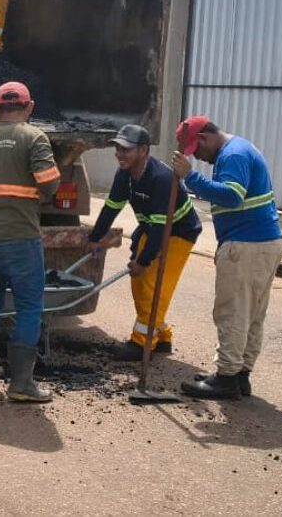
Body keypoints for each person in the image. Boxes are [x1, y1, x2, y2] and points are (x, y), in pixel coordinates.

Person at [170, 116, 282, 400]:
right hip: (262, 243)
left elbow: (232, 196)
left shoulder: (232, 155)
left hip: (245, 245)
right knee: (252, 314)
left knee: (233, 312)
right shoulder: (240, 150)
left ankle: (227, 378)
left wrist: (190, 177)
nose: (198, 156)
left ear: (206, 137)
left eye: (197, 149)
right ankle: (240, 375)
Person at [0, 82, 61, 402]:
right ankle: (21, 384)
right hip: (21, 236)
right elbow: (49, 184)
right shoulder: (34, 137)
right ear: (29, 107)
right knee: (28, 307)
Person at [86, 124, 202, 361]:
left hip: (179, 232)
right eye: (117, 148)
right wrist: (94, 238)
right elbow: (111, 208)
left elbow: (161, 229)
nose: (119, 154)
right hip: (151, 228)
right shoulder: (124, 175)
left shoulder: (162, 178)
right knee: (138, 283)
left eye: (126, 149)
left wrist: (144, 260)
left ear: (143, 150)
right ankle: (163, 336)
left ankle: (141, 343)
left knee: (153, 287)